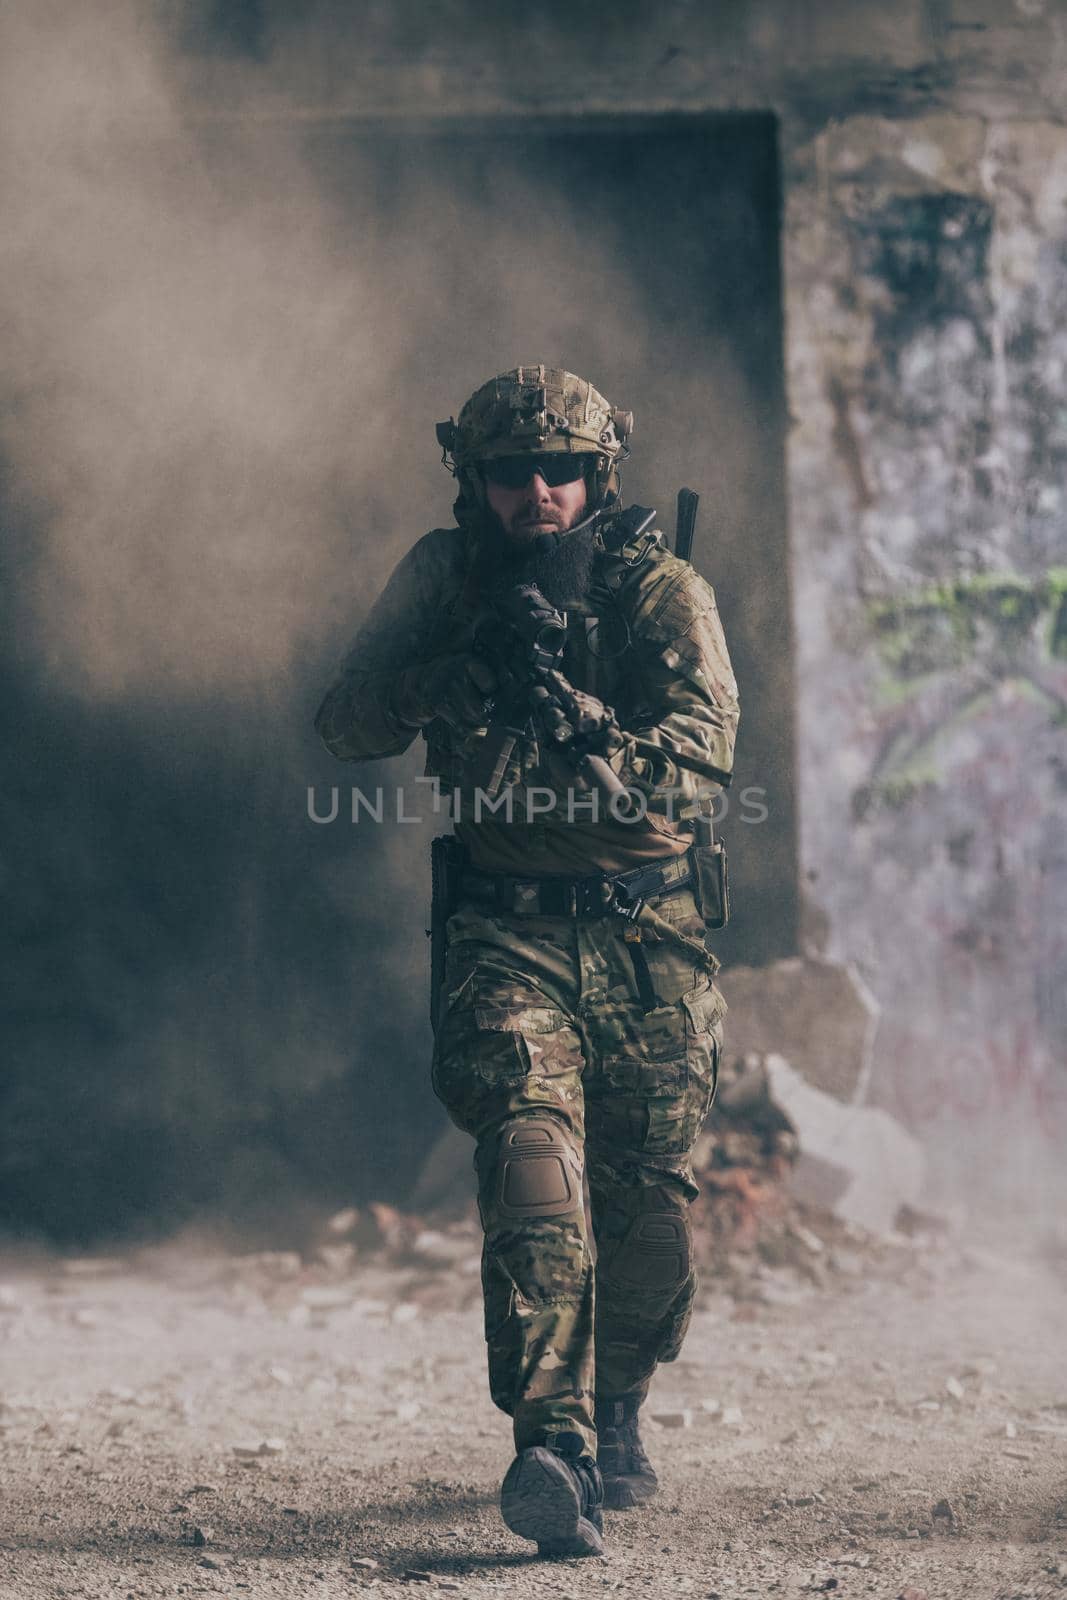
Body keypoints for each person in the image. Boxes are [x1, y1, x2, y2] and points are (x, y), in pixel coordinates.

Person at [315, 366, 739, 1558]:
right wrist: (426, 682)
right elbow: (344, 721)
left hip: (647, 938)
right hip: (505, 934)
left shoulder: (658, 590)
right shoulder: (442, 582)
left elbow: (701, 764)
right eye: (511, 473)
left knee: (647, 1212)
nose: (537, 494)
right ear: (476, 480)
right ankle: (549, 1443)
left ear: (598, 477)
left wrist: (593, 731)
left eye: (561, 472)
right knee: (532, 1159)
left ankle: (616, 1407)